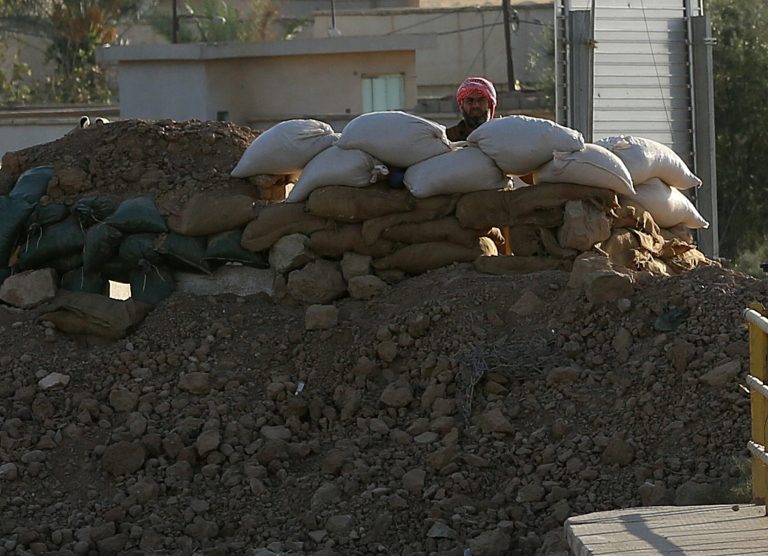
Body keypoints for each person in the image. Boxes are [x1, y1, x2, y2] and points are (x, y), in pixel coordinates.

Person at [445, 77, 497, 142]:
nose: (475, 105)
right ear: (461, 106)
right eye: (470, 101)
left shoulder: (500, 135)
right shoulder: (448, 138)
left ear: (490, 105)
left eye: (481, 100)